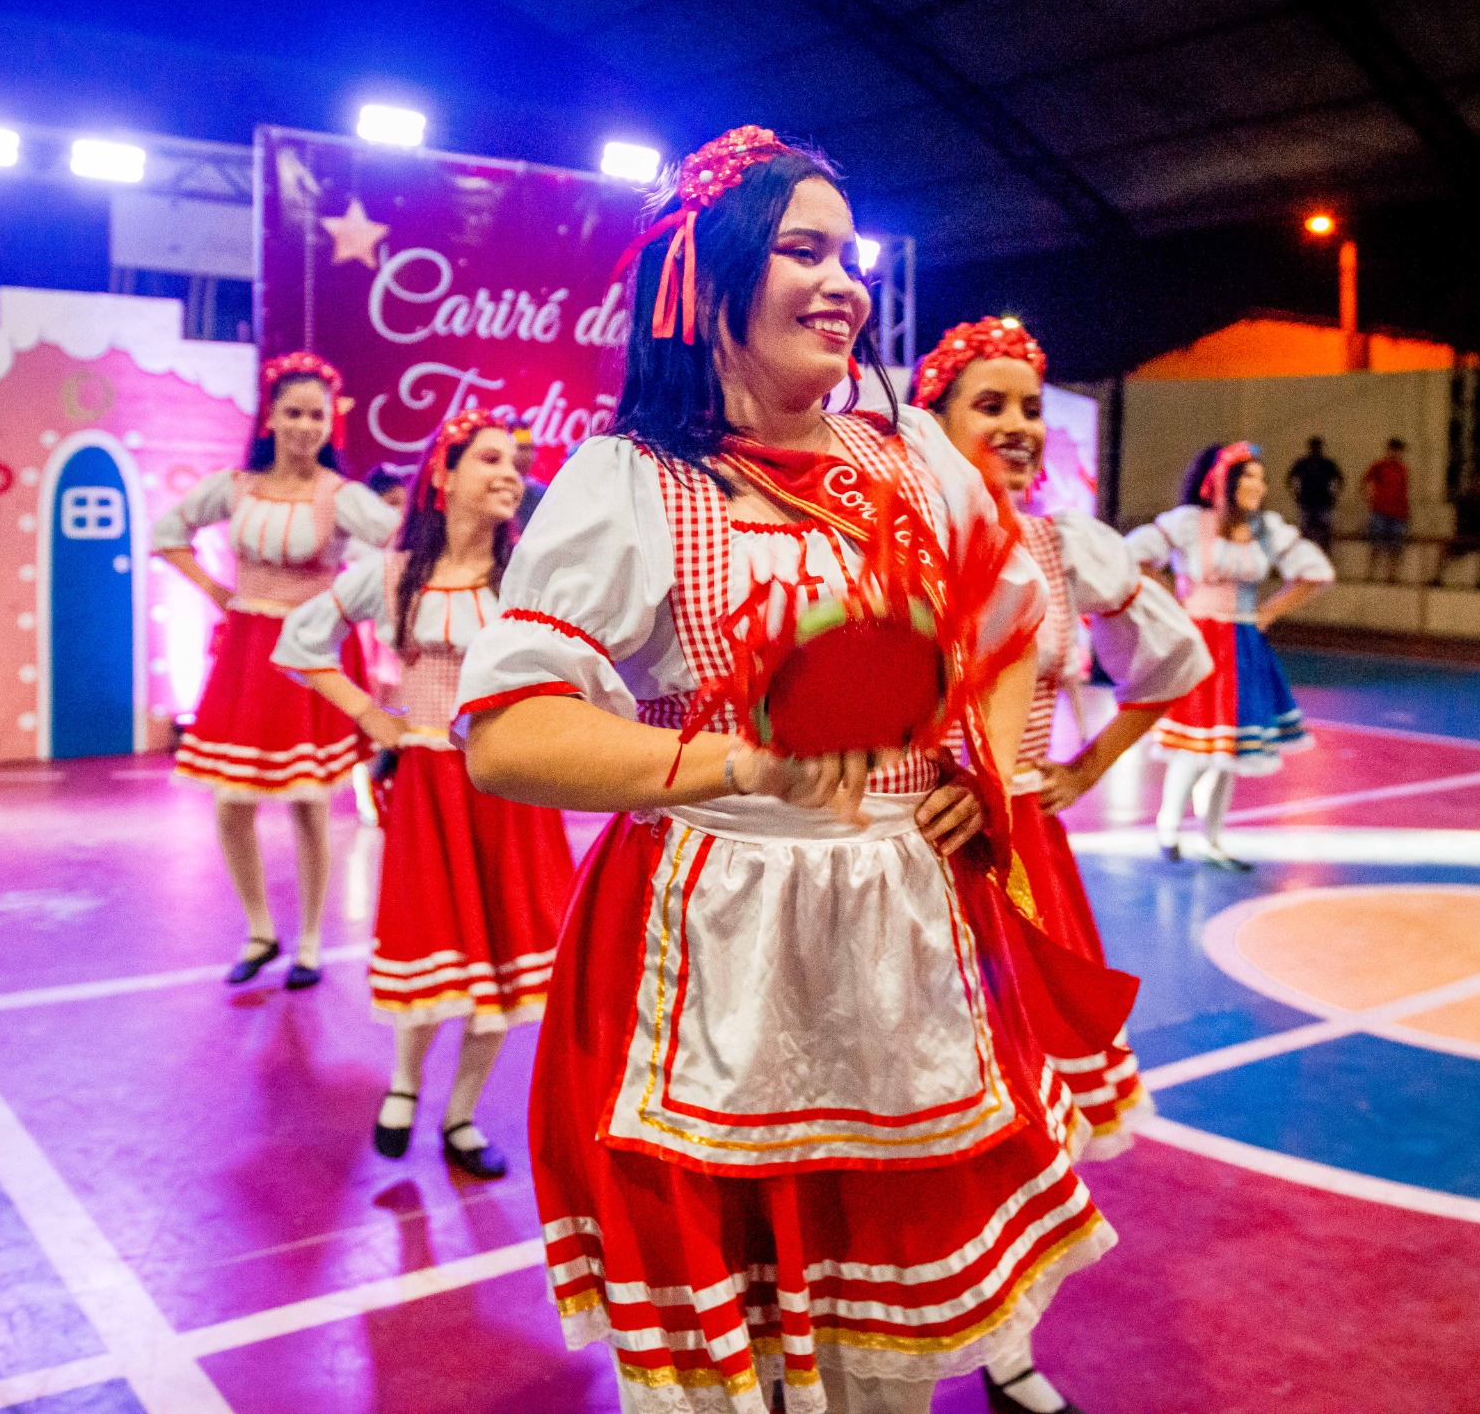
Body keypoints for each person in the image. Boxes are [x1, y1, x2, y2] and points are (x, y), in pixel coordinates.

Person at [456, 128, 1107, 1414]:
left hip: (900, 936)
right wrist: (741, 760)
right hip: (708, 941)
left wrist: (983, 772)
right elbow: (507, 734)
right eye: (803, 250)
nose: (843, 284)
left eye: (849, 257)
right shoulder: (627, 479)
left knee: (883, 1353)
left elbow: (1014, 618)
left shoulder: (910, 455)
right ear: (707, 280)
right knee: (728, 1366)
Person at [916, 315, 1210, 1166]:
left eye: (1032, 408)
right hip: (907, 835)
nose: (1019, 425)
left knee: (1018, 1076)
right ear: (934, 422)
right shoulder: (894, 542)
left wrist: (1084, 769)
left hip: (1016, 839)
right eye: (991, 405)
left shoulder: (1062, 546)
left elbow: (1172, 659)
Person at [274, 409, 575, 1178]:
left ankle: (462, 1115)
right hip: (432, 784)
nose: (510, 473)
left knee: (505, 960)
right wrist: (373, 716)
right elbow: (301, 639)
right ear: (444, 474)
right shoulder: (395, 574)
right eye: (490, 459)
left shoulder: (530, 575)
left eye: (515, 462)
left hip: (510, 786)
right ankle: (404, 1086)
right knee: (431, 943)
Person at [156, 353, 402, 988]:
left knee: (308, 802)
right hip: (246, 652)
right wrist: (217, 592)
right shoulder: (236, 486)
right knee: (231, 801)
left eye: (316, 415)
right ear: (270, 417)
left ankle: (312, 941)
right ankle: (260, 929)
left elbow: (403, 547)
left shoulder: (341, 497)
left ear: (330, 423)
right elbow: (168, 531)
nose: (304, 426)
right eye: (293, 413)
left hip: (307, 656)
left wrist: (351, 604)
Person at [1130, 443, 1333, 864]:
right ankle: (1169, 827)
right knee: (1195, 744)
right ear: (1225, 482)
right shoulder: (1190, 523)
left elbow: (1314, 573)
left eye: (1262, 477)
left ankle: (1212, 838)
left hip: (1241, 645)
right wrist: (1172, 601)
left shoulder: (1266, 529)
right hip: (1197, 640)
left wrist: (1269, 611)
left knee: (1229, 750)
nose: (1260, 485)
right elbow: (1136, 556)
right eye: (1250, 476)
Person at [1360, 436, 1410, 581]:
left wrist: (1406, 511)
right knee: (1376, 543)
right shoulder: (1380, 466)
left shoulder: (1402, 469)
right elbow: (1365, 481)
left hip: (1398, 512)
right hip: (1380, 510)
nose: (1396, 454)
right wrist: (1369, 499)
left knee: (1396, 545)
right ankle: (1370, 573)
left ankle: (1392, 574)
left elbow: (1404, 491)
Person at [1445, 473, 1480, 588]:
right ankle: (1438, 578)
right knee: (1445, 548)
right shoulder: (1463, 500)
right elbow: (1459, 522)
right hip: (1466, 535)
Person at [1287, 434, 1344, 547]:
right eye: (1314, 447)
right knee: (1304, 531)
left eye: (1317, 447)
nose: (1316, 450)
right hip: (1306, 501)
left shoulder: (1327, 464)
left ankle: (1325, 551)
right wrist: (1295, 494)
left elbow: (1340, 480)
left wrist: (1334, 495)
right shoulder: (1302, 463)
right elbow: (1289, 479)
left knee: (1326, 531)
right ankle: (1305, 551)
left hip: (1323, 502)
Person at [509, 427, 549, 528]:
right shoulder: (495, 489)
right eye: (521, 448)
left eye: (531, 449)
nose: (528, 455)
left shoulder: (542, 493)